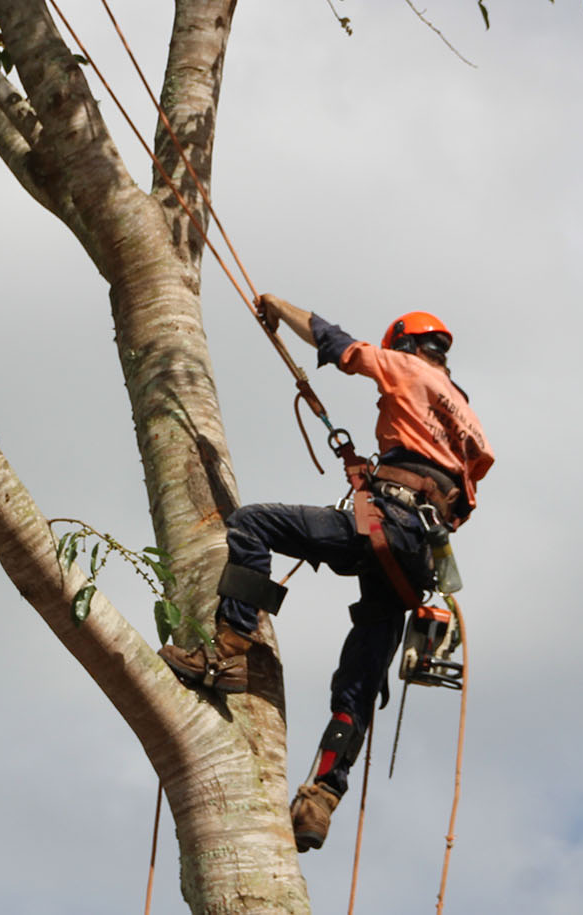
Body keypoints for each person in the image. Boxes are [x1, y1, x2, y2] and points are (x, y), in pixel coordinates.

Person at [157, 292, 495, 852]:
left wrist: (278, 308)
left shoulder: (405, 367)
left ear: (408, 345)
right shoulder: (472, 424)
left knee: (253, 526)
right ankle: (321, 798)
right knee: (358, 684)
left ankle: (227, 653)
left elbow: (337, 343)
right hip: (419, 564)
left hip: (388, 524)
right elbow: (460, 503)